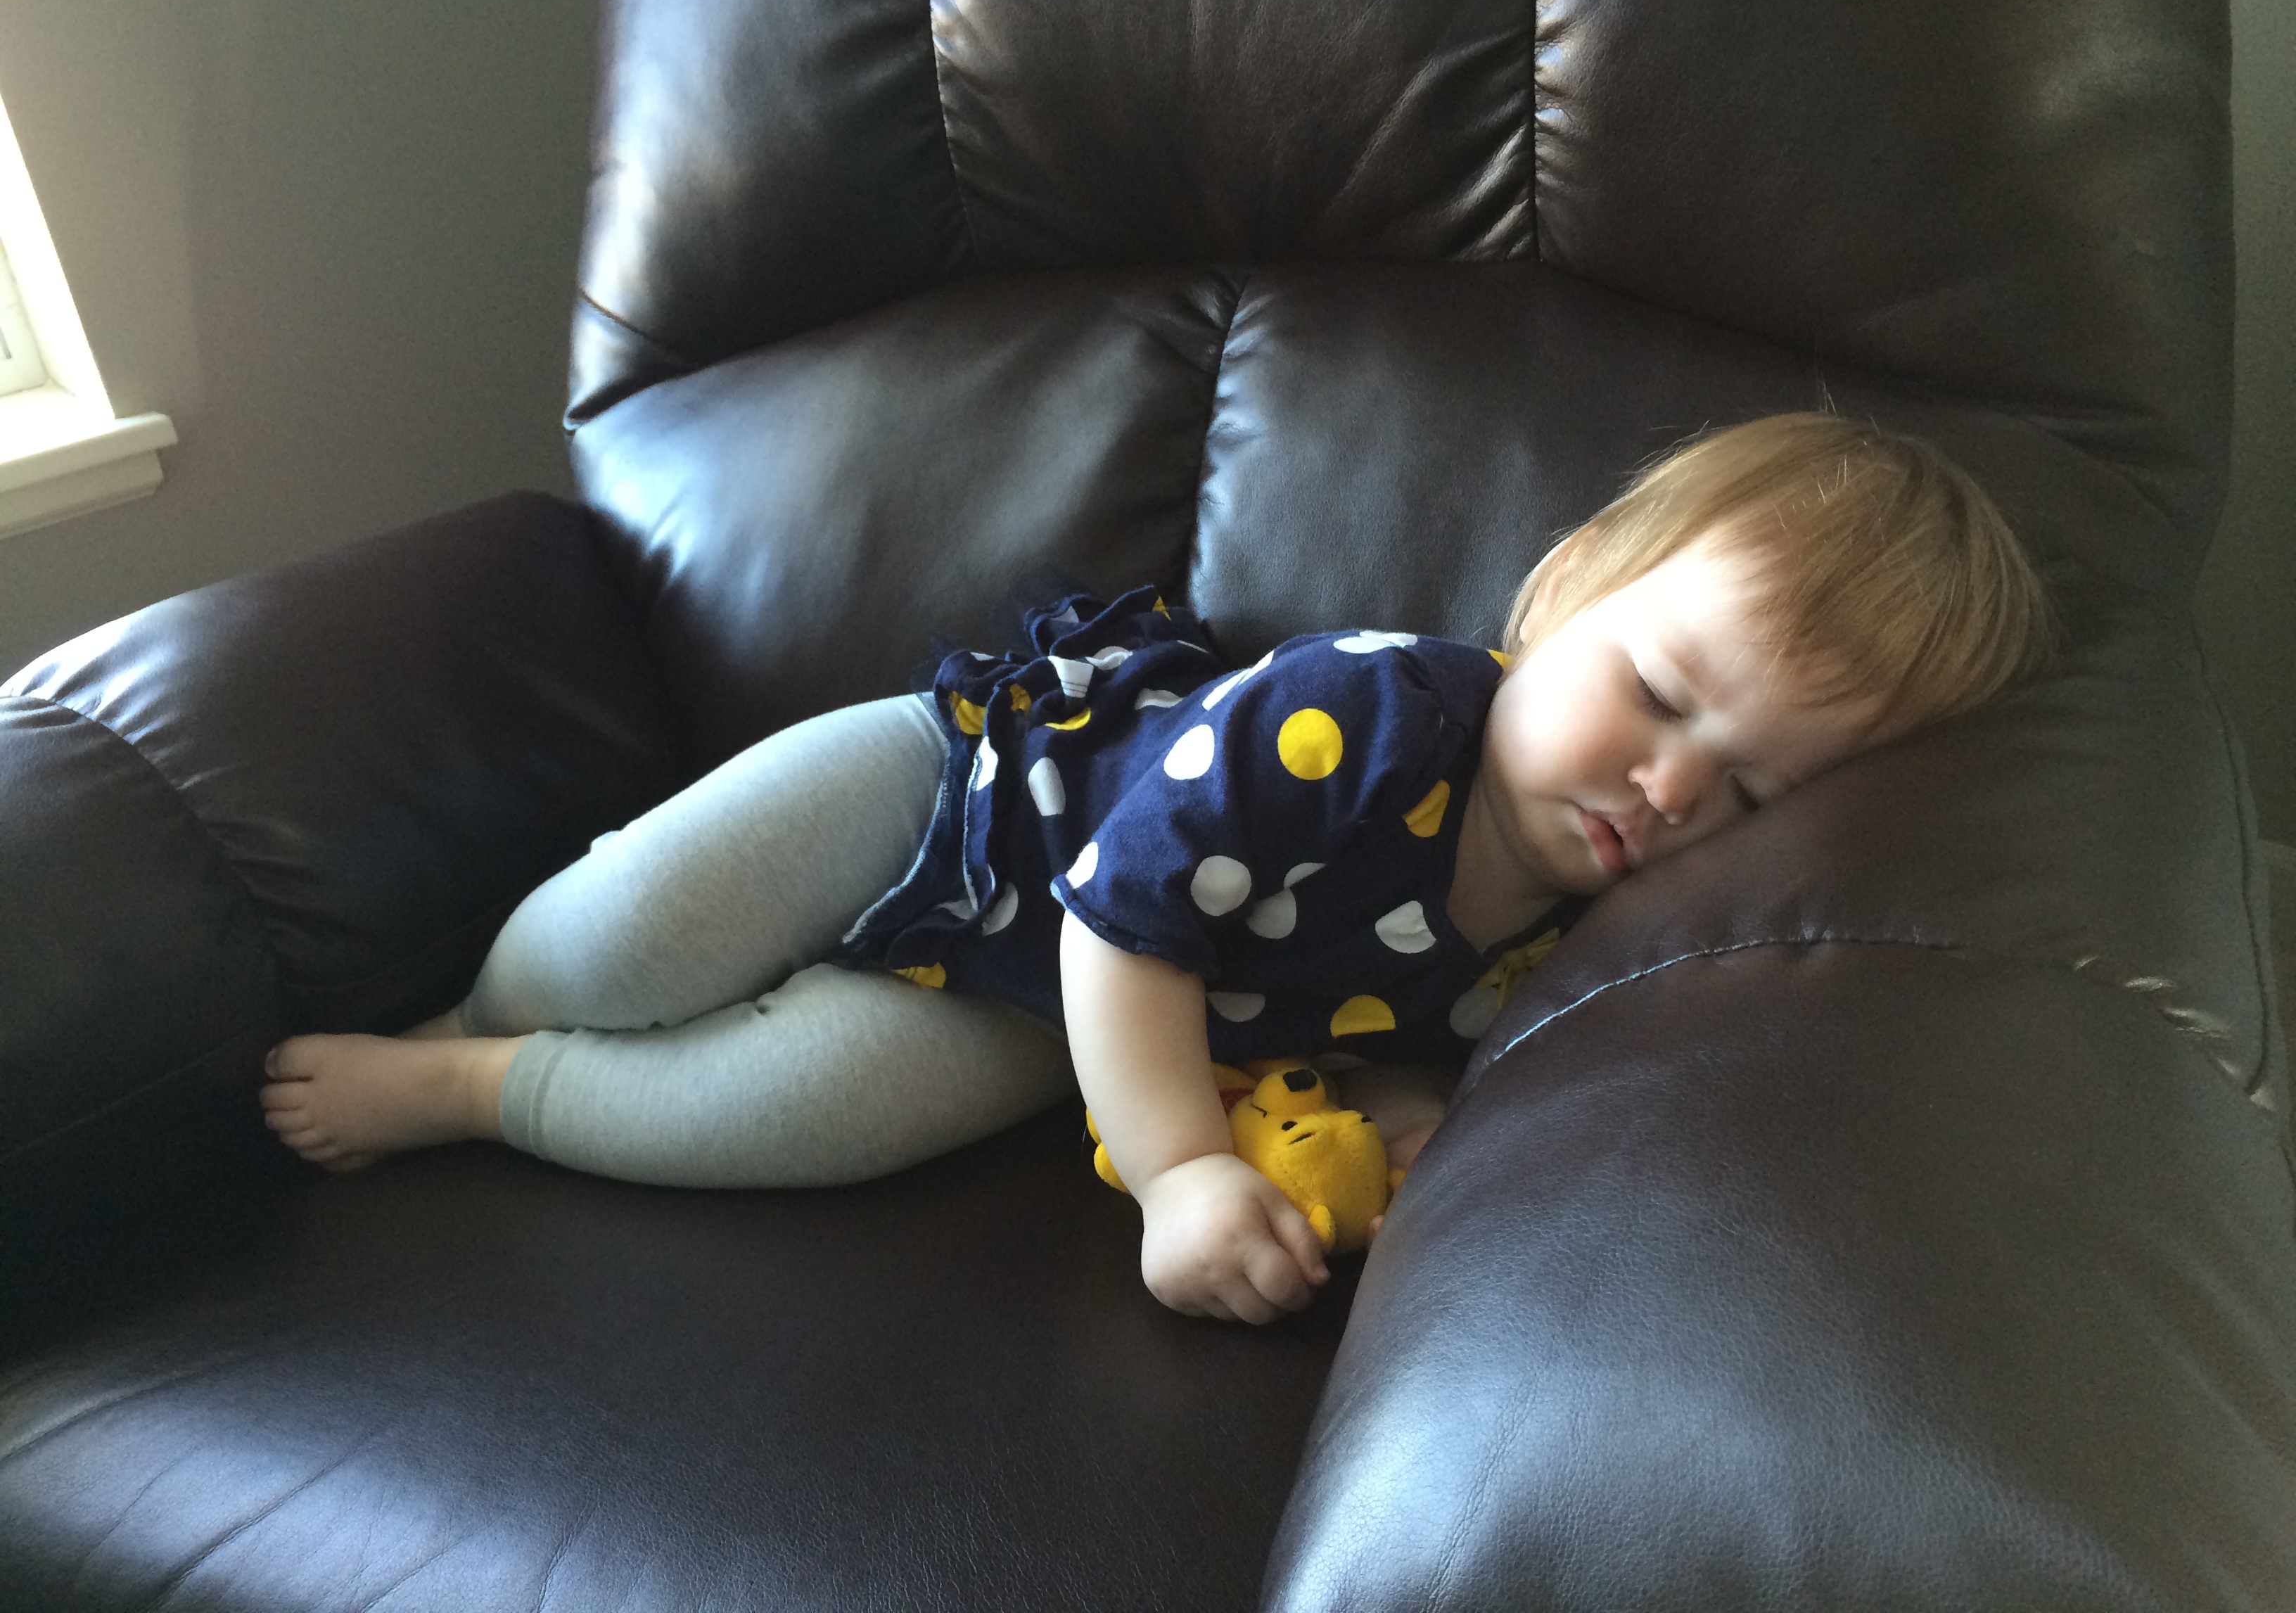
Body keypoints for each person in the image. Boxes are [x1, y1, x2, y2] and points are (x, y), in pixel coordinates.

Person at [260, 413, 2051, 1325]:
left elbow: (1395, 1031)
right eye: (1656, 694)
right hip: (975, 788)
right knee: (628, 932)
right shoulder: (1367, 713)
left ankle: (488, 1092)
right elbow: (1131, 909)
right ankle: (487, 1009)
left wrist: (1407, 1120)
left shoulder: (1590, 930)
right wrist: (1183, 1173)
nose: (1669, 787)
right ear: (1569, 588)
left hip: (1052, 1015)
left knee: (800, 1117)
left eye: (1750, 790)